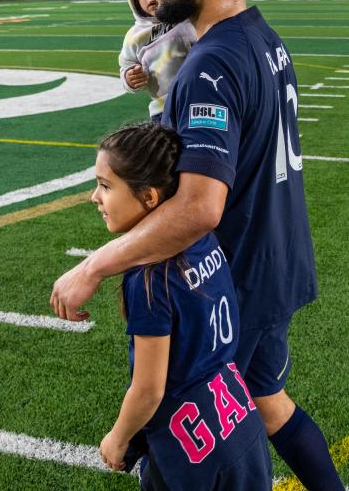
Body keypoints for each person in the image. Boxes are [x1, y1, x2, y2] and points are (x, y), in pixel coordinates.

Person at [51, 0, 345, 489]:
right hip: (276, 262)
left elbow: (201, 205)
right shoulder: (262, 37)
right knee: (267, 403)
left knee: (181, 444)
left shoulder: (209, 65)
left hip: (235, 286)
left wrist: (94, 267)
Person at [93, 122, 271, 489]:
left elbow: (148, 390)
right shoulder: (203, 240)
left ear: (149, 197)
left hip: (192, 449)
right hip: (240, 423)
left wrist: (118, 438)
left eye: (106, 186)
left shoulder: (148, 279)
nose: (94, 197)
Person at [119, 0, 196, 121]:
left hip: (196, 99)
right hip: (161, 110)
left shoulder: (185, 18)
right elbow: (126, 64)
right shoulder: (134, 36)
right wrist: (129, 78)